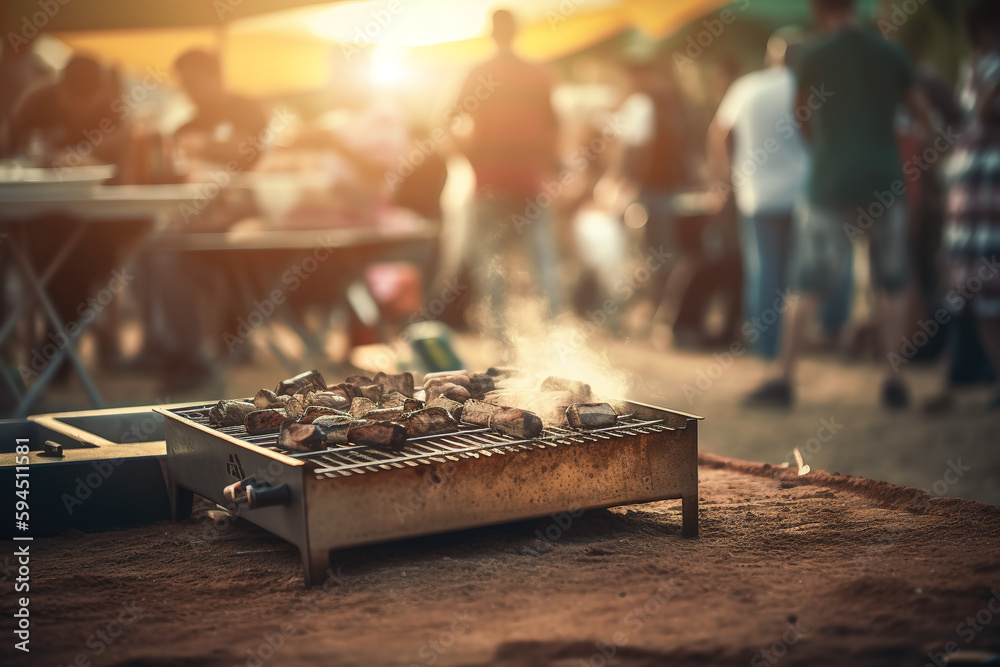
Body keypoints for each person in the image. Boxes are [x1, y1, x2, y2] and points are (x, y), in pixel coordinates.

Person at [745, 0, 930, 409]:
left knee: (806, 282)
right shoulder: (889, 52)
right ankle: (894, 380)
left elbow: (800, 115)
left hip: (829, 183)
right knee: (892, 281)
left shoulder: (812, 55)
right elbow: (922, 116)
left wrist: (828, 148)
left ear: (817, 11)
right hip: (884, 179)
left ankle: (783, 378)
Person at [451, 10, 561, 328]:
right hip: (531, 181)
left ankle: (500, 339)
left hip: (489, 181)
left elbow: (448, 120)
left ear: (491, 33)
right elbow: (556, 128)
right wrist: (550, 168)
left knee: (491, 260)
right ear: (516, 32)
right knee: (543, 261)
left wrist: (469, 158)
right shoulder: (538, 74)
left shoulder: (477, 74)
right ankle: (556, 334)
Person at [926, 0, 1000, 411]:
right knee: (974, 289)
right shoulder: (975, 68)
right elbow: (963, 121)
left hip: (989, 192)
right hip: (972, 193)